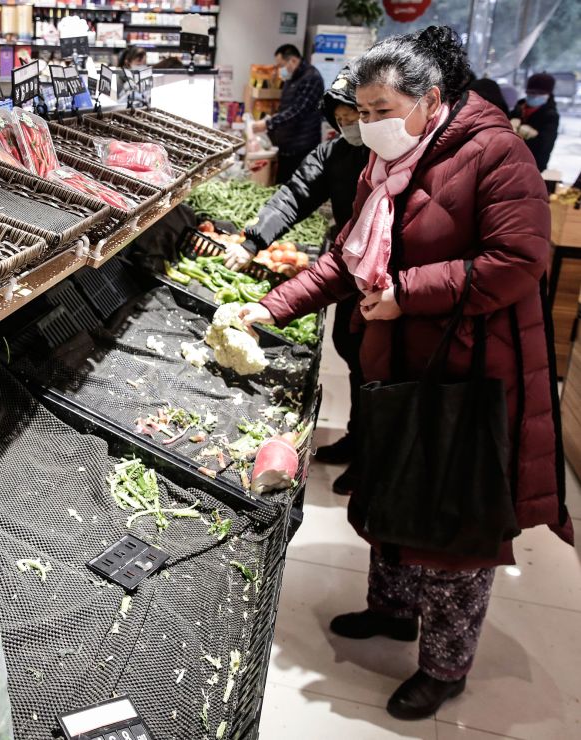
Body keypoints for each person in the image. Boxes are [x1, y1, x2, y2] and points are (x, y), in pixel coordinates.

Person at [239, 26, 574, 720]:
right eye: (362, 110)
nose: (371, 124)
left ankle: (447, 665)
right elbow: (345, 257)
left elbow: (517, 261)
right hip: (399, 367)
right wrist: (271, 307)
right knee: (395, 489)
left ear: (433, 99)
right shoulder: (383, 164)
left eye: (384, 108)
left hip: (471, 372)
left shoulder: (496, 154)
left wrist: (406, 294)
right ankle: (390, 609)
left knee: (454, 519)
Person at [224, 68, 370, 492]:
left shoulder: (390, 159)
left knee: (375, 367)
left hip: (384, 279)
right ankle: (356, 438)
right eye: (341, 119)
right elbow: (295, 194)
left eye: (355, 117)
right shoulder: (336, 154)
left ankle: (369, 458)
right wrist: (253, 241)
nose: (349, 126)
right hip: (348, 271)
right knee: (353, 352)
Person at [251, 44, 325, 184]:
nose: (280, 70)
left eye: (281, 65)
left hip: (302, 146)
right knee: (282, 185)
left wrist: (269, 123)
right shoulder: (292, 77)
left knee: (296, 188)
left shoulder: (311, 78)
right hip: (288, 144)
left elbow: (298, 111)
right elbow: (286, 108)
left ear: (293, 61)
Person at [509, 72, 559, 172]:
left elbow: (545, 145)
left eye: (538, 93)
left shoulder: (550, 115)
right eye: (530, 93)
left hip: (533, 165)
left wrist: (520, 136)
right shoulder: (518, 108)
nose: (534, 96)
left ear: (548, 94)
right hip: (509, 161)